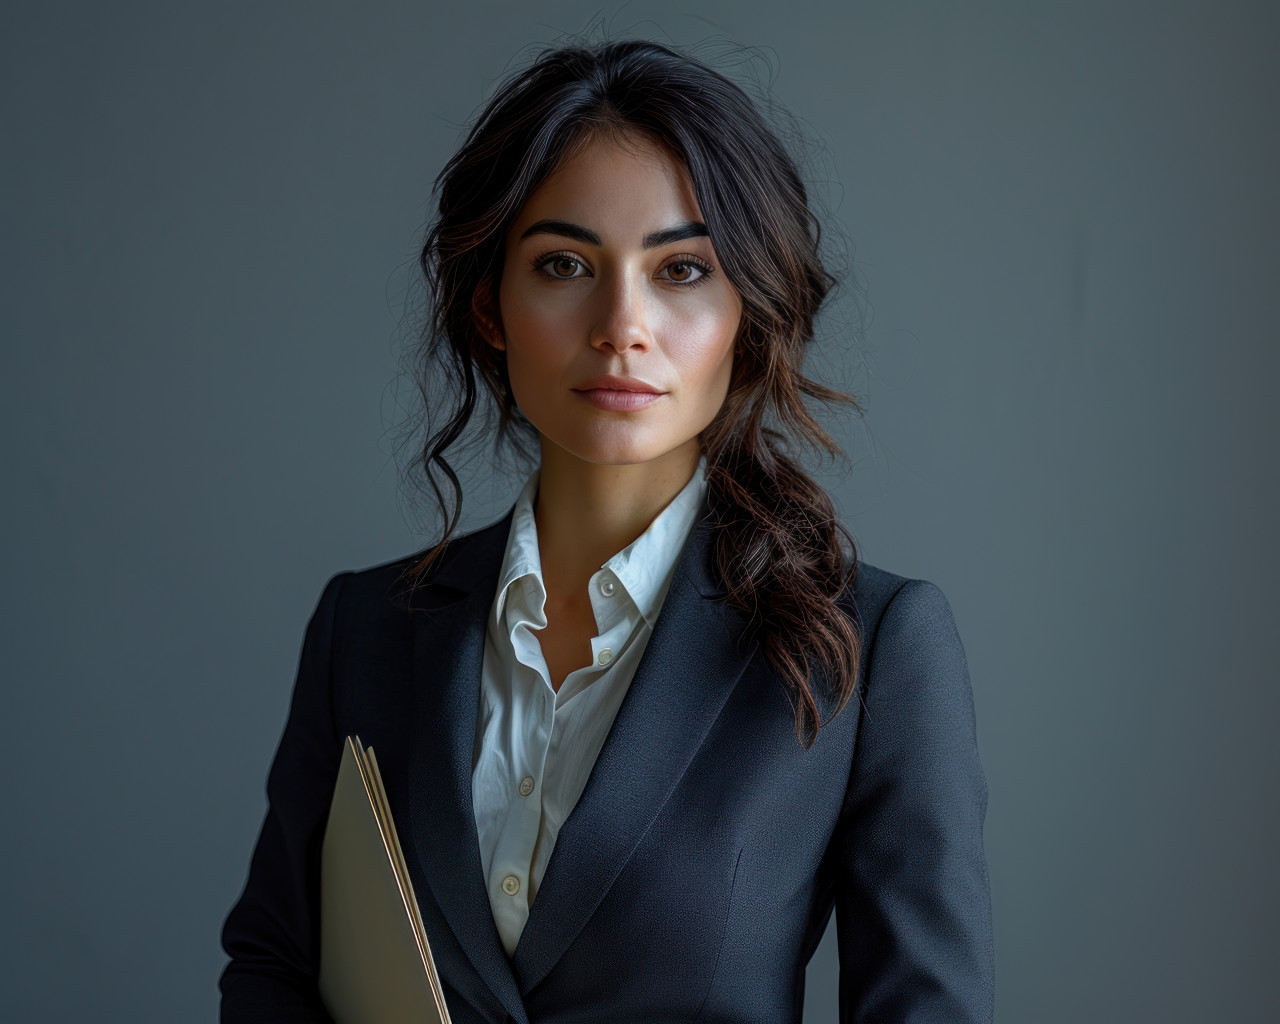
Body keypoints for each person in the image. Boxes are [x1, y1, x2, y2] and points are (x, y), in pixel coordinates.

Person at [218, 36, 994, 1024]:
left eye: (681, 270)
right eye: (564, 264)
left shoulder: (870, 647)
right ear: (490, 307)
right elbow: (274, 967)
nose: (621, 324)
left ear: (747, 314)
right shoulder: (364, 629)